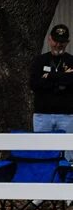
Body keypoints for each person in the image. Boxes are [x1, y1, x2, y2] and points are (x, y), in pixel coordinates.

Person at [29, 23, 73, 151]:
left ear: (67, 42)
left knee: (67, 153)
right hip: (43, 115)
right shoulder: (40, 61)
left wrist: (49, 76)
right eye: (55, 41)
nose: (58, 45)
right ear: (49, 39)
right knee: (42, 151)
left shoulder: (71, 61)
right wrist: (61, 78)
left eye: (62, 42)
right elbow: (34, 84)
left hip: (66, 116)